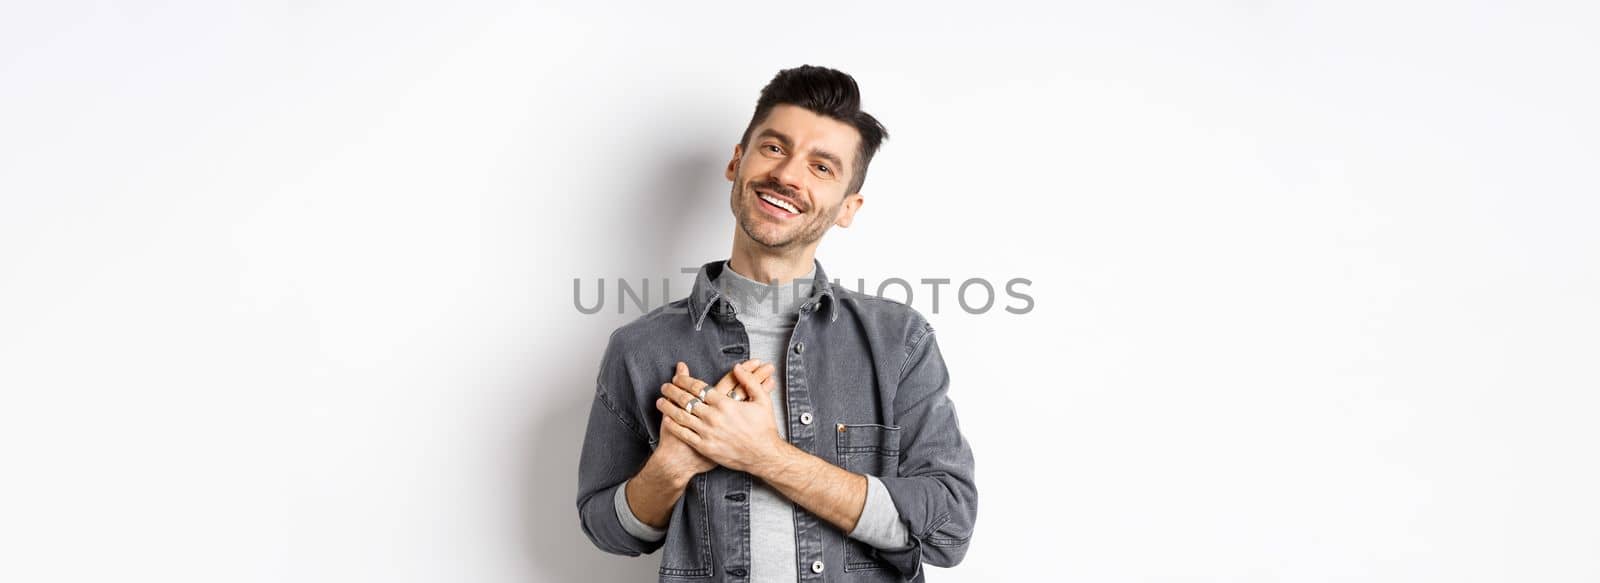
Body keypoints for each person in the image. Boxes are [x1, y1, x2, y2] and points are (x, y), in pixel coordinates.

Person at [576, 64, 976, 582]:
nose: (787, 175)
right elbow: (606, 529)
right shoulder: (640, 348)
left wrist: (765, 455)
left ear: (848, 209)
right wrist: (669, 468)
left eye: (822, 167)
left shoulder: (899, 341)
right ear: (737, 162)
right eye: (773, 148)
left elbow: (949, 527)